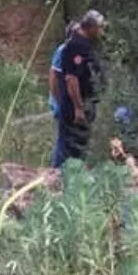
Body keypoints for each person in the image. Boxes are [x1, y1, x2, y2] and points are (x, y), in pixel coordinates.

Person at [53, 9, 107, 167]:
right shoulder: (75, 46)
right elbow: (71, 78)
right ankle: (62, 178)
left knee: (80, 143)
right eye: (100, 28)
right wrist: (78, 107)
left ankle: (73, 176)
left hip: (86, 102)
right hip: (74, 106)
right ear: (90, 27)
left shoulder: (84, 44)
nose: (101, 32)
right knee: (71, 145)